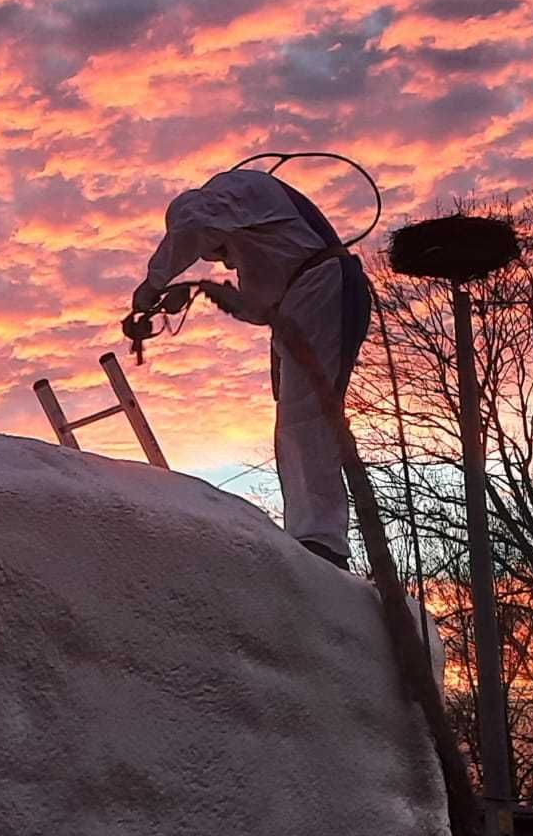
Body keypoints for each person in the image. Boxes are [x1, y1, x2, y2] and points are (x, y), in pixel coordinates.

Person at [123, 168, 373, 568]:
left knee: (306, 417)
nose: (223, 264)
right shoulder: (258, 227)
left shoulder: (233, 191)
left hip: (323, 291)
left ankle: (322, 542)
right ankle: (310, 533)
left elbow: (191, 222)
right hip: (307, 300)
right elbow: (258, 307)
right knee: (295, 420)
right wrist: (184, 296)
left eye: (218, 252)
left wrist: (152, 285)